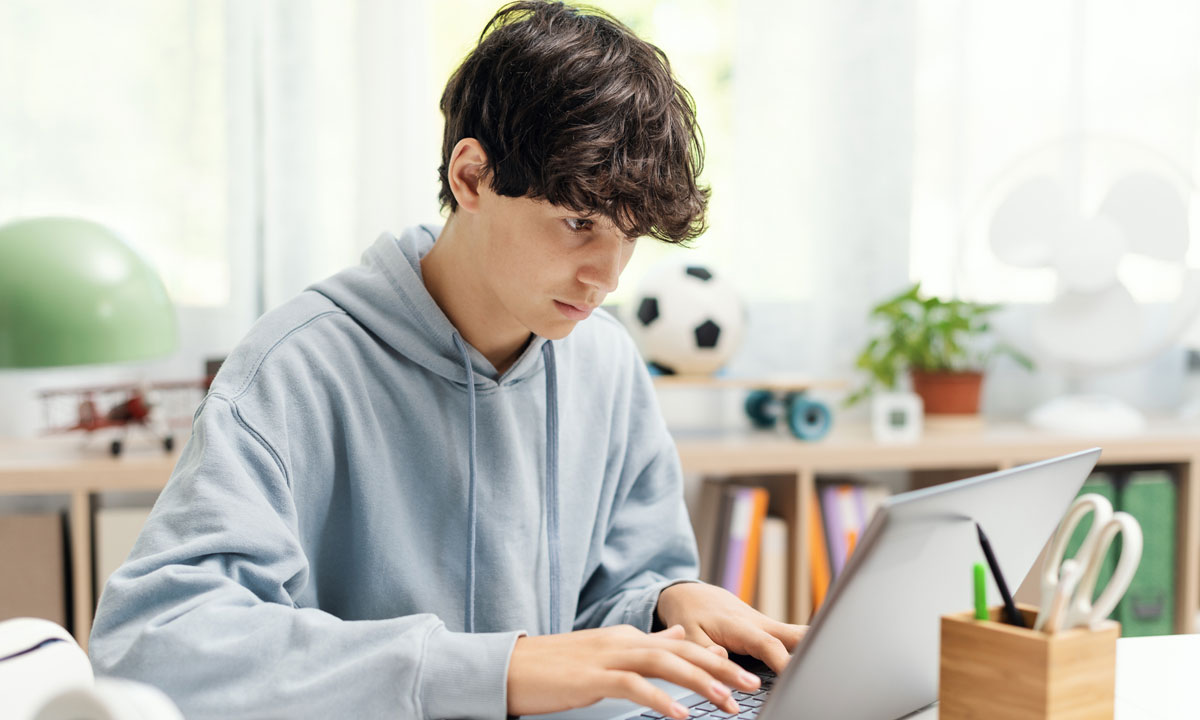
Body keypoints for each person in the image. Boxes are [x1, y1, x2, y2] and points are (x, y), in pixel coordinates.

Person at [88, 2, 805, 718]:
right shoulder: (296, 368)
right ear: (471, 177)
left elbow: (610, 602)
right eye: (578, 223)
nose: (607, 277)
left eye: (628, 236)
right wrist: (496, 669)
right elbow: (156, 645)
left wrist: (665, 603)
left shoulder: (606, 363)